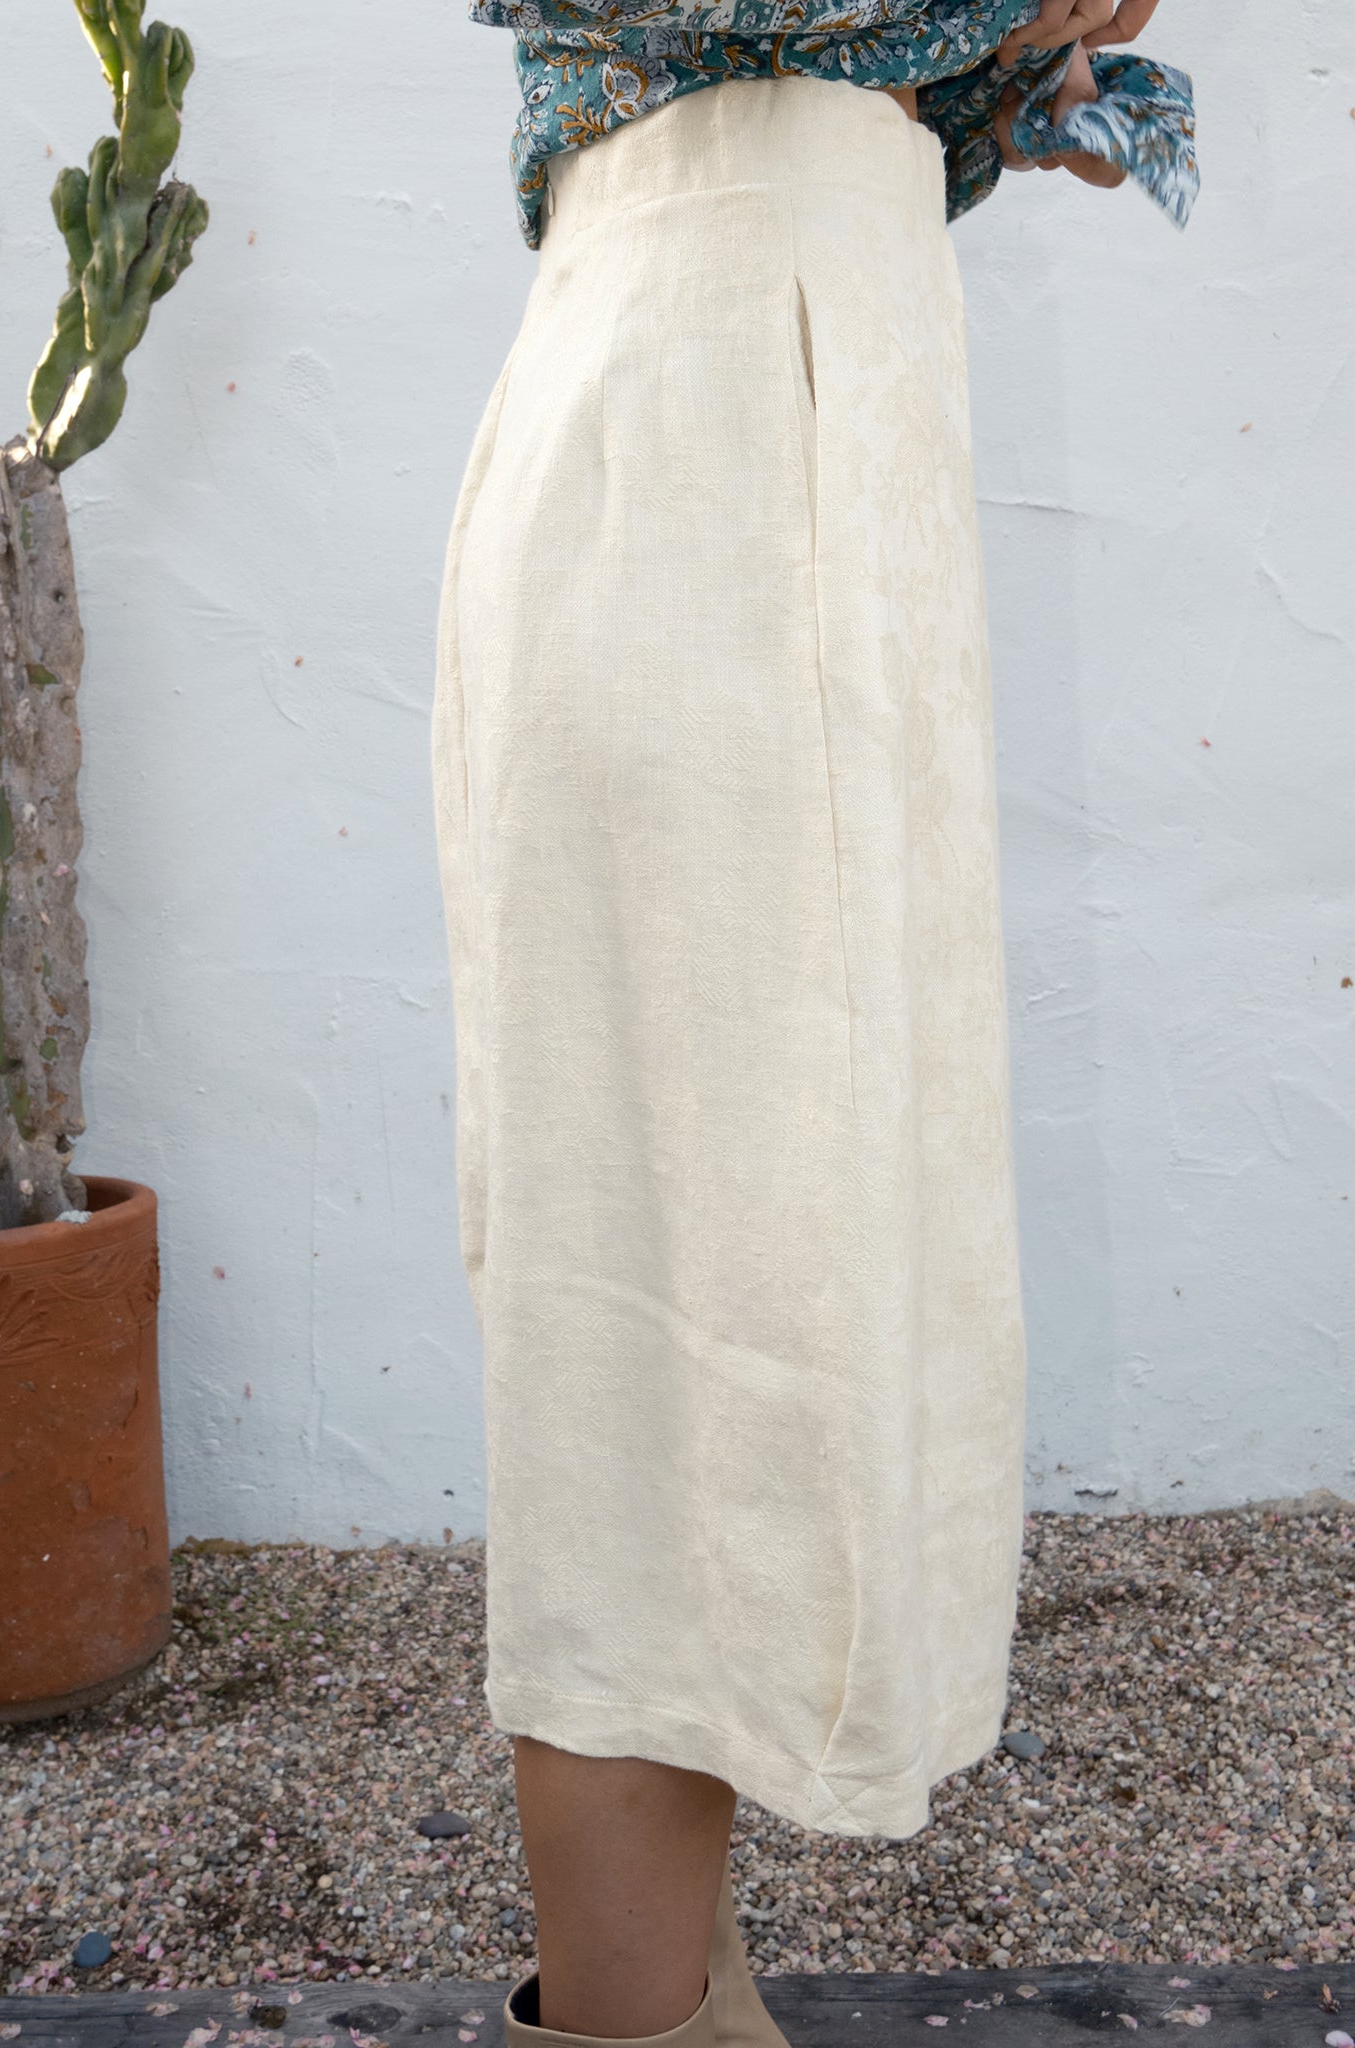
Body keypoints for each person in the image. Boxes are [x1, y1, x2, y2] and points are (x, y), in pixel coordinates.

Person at [428, 3, 1197, 2043]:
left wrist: (1047, 59)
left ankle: (682, 1994)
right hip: (692, 460)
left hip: (812, 461)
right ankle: (639, 2021)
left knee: (791, 1295)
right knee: (639, 1357)